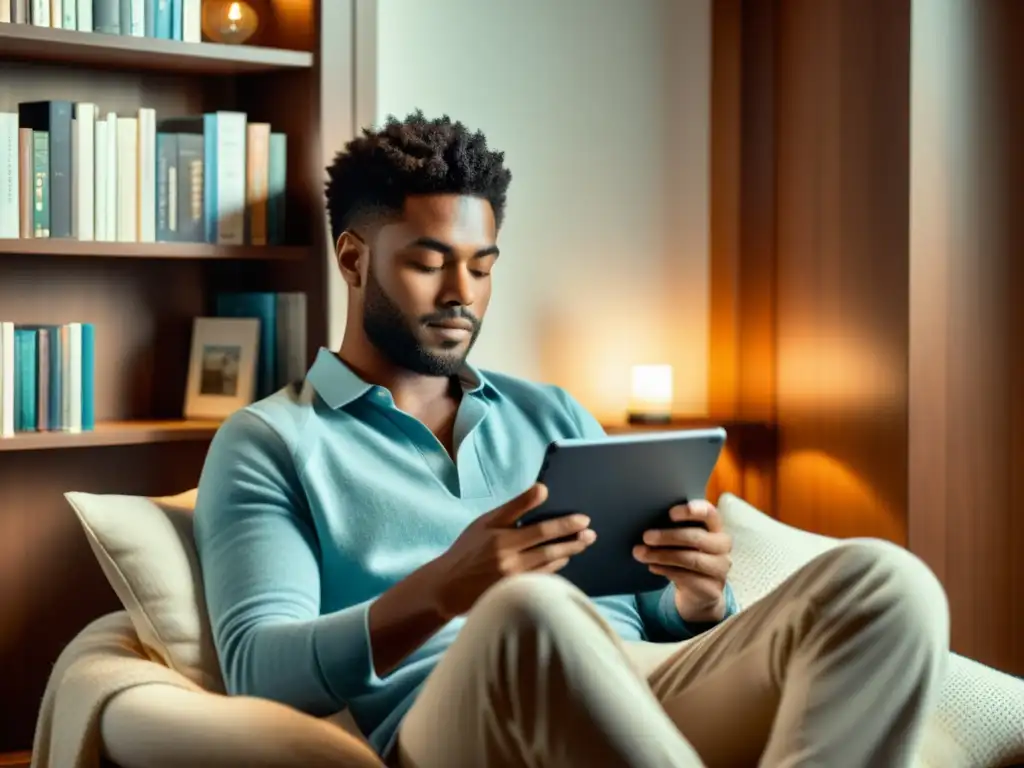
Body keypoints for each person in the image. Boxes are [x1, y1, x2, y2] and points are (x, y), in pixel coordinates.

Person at [193, 111, 950, 768]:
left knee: (888, 581)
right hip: (457, 721)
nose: (462, 295)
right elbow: (257, 670)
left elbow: (648, 611)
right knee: (531, 612)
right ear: (354, 258)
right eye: (430, 263)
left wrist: (697, 596)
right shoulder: (270, 441)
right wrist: (446, 586)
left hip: (644, 686)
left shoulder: (553, 412)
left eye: (481, 268)